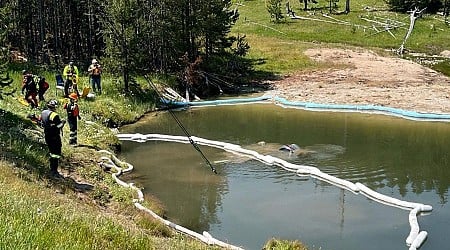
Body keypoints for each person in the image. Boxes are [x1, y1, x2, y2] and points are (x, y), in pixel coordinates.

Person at [41, 100, 66, 177]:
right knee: (56, 153)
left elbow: (42, 123)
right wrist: (63, 122)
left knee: (52, 152)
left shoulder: (43, 112)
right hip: (54, 136)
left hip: (47, 135)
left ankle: (52, 168)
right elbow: (59, 126)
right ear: (54, 107)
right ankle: (54, 170)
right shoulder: (54, 115)